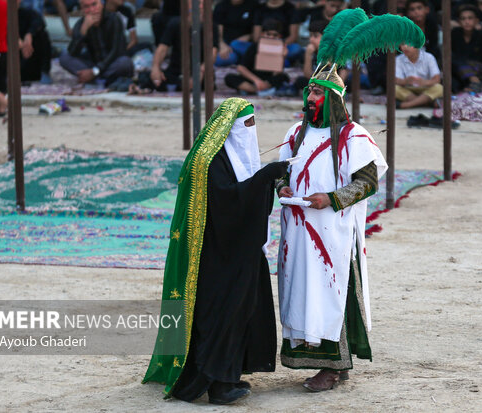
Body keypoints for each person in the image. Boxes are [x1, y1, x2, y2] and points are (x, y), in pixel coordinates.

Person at [143, 97, 288, 404]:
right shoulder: (210, 162)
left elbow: (241, 196)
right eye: (246, 125)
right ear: (229, 128)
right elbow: (227, 202)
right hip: (216, 258)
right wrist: (266, 176)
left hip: (237, 249)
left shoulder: (228, 155)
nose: (251, 131)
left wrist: (264, 178)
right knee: (225, 314)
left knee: (244, 310)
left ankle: (231, 373)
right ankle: (219, 385)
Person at [276, 68, 388, 392]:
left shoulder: (354, 137)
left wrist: (332, 199)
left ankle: (334, 367)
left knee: (330, 294)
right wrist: (282, 187)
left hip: (332, 232)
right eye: (308, 92)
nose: (310, 98)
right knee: (300, 290)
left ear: (333, 100)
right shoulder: (296, 132)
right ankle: (311, 360)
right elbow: (281, 171)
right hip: (297, 229)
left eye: (317, 93)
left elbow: (367, 183)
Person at [135, 10, 218, 93]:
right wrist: (156, 67)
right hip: (176, 70)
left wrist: (200, 71)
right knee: (149, 78)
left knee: (205, 83)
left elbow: (212, 53)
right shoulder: (176, 23)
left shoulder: (211, 26)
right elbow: (163, 47)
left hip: (200, 71)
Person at [59, 0, 134, 86]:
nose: (92, 10)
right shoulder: (81, 24)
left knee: (125, 62)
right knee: (64, 57)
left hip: (110, 64)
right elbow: (72, 52)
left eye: (94, 4)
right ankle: (96, 79)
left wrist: (95, 71)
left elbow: (116, 51)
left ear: (101, 5)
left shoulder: (114, 19)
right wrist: (83, 31)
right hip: (92, 63)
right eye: (86, 7)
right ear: (82, 9)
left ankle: (95, 78)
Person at [224, 19, 290, 95]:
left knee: (284, 78)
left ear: (279, 36)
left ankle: (253, 90)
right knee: (229, 78)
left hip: (268, 80)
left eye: (275, 35)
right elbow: (241, 68)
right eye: (268, 34)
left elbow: (276, 73)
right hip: (252, 78)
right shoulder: (255, 47)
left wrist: (282, 57)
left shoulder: (280, 48)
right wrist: (257, 81)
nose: (271, 37)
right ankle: (257, 90)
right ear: (262, 34)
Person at [451, 4, 482, 92]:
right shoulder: (454, 34)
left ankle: (474, 80)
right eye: (463, 19)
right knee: (452, 81)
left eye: (470, 18)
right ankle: (473, 81)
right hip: (459, 70)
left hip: (477, 69)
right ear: (459, 22)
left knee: (461, 63)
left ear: (476, 21)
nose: (467, 21)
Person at [395, 43, 443, 108]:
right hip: (408, 89)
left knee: (439, 88)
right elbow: (397, 80)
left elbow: (437, 79)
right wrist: (406, 81)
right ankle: (427, 103)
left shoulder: (429, 57)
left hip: (426, 88)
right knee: (394, 89)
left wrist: (424, 82)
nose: (405, 47)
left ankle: (406, 105)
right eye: (402, 44)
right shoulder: (398, 59)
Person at [214, 0, 259, 66]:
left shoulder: (254, 5)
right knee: (221, 59)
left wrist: (249, 36)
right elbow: (217, 29)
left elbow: (258, 30)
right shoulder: (221, 6)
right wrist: (221, 44)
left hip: (245, 45)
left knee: (236, 44)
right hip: (227, 44)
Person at [18, 0, 52, 84]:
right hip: (8, 60)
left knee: (42, 34)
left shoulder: (26, 13)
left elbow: (39, 22)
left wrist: (29, 34)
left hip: (29, 57)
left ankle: (44, 72)